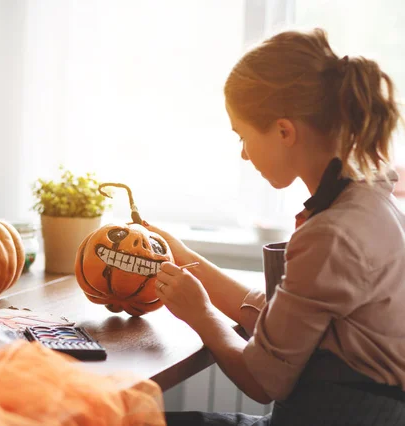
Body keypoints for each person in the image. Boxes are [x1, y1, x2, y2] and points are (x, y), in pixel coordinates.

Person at [148, 28, 405, 425]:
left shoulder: (333, 233)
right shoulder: (366, 196)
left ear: (284, 131)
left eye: (243, 136)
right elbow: (280, 320)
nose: (245, 154)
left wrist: (199, 313)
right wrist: (183, 257)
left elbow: (260, 379)